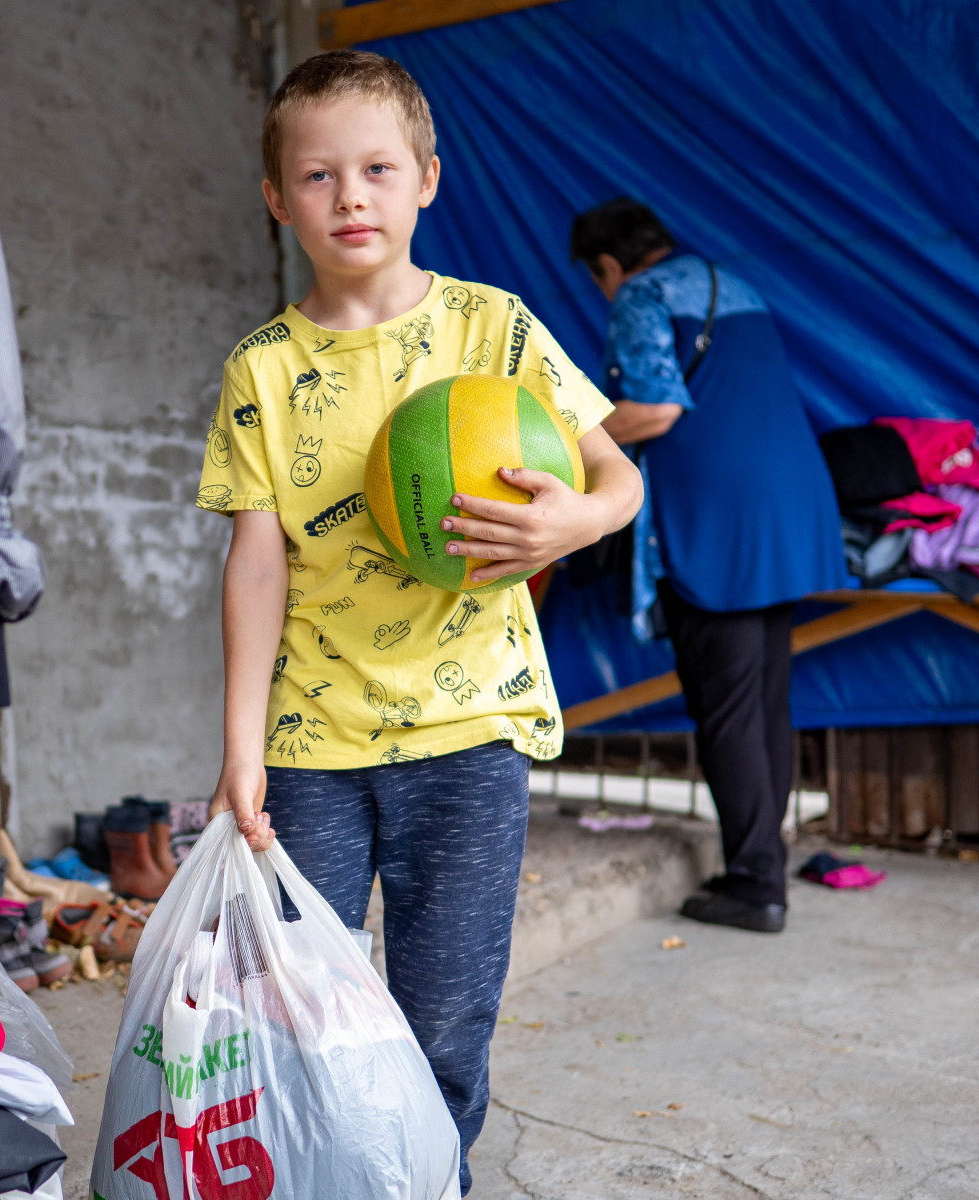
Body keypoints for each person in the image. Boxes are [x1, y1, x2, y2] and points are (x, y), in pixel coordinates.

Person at [197, 51, 642, 1193]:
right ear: (275, 198)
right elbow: (256, 570)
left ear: (427, 181)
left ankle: (432, 1180)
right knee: (304, 1017)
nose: (350, 197)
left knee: (444, 1026)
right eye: (316, 176)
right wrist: (240, 754)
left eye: (377, 169)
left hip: (468, 739)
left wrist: (573, 526)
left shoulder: (493, 333)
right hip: (311, 750)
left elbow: (616, 476)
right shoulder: (260, 369)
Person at [570, 197, 847, 934]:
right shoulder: (733, 285)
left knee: (726, 707)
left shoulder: (643, 292)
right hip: (784, 508)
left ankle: (757, 885)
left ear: (608, 263)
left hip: (716, 519)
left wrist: (568, 431)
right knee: (764, 699)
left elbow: (655, 409)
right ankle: (765, 866)